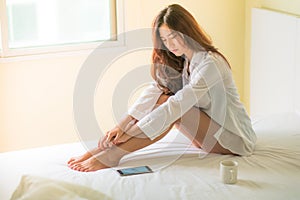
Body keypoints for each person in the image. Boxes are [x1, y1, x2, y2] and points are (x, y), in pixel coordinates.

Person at [68, 4, 256, 172]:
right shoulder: (185, 60)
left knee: (177, 109)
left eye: (174, 36)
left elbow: (179, 104)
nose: (170, 44)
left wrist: (128, 134)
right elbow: (156, 90)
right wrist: (121, 126)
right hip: (207, 136)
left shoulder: (211, 64)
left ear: (188, 32)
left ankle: (113, 154)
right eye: (165, 39)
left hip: (234, 140)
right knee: (164, 97)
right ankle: (104, 150)